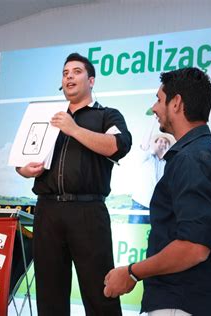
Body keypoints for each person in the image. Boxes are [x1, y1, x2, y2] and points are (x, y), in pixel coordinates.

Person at [103, 68, 211, 316]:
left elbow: (194, 247)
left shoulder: (193, 159)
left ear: (176, 103)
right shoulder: (207, 154)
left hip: (183, 301)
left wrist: (132, 272)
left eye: (159, 99)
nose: (155, 108)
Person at [16, 53, 132, 315]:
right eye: (65, 72)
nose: (69, 76)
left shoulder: (107, 115)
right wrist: (23, 169)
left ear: (91, 80)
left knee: (100, 292)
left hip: (88, 212)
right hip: (47, 211)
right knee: (49, 294)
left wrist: (74, 129)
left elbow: (118, 146)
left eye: (76, 71)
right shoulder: (47, 117)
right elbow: (22, 157)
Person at [130, 130, 175, 224]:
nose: (163, 144)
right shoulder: (146, 157)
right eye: (161, 141)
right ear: (155, 143)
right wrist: (153, 121)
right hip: (140, 204)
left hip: (159, 206)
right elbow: (144, 145)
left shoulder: (169, 163)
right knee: (136, 234)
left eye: (166, 142)